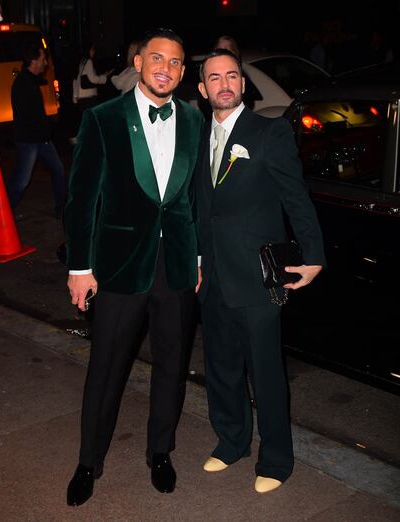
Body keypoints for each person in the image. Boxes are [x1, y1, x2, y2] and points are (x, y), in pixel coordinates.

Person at [64, 28, 203, 507]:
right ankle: (89, 460)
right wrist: (80, 267)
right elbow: (82, 201)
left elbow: (194, 197)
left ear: (184, 72)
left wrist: (198, 255)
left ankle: (160, 452)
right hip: (119, 267)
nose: (167, 67)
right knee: (106, 368)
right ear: (139, 62)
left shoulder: (192, 115)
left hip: (178, 267)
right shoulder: (103, 118)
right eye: (158, 58)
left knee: (171, 365)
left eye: (177, 62)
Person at [195, 49, 326, 494]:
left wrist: (313, 256)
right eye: (214, 78)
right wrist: (194, 260)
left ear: (243, 85)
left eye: (232, 75)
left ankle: (276, 459)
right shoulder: (197, 136)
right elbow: (198, 209)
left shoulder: (269, 132)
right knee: (221, 368)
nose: (224, 84)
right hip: (212, 276)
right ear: (202, 89)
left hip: (257, 275)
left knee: (267, 374)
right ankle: (231, 442)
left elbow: (296, 198)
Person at [7, 42, 66, 220]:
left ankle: (62, 209)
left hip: (40, 139)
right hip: (29, 140)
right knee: (22, 180)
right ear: (33, 60)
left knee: (58, 171)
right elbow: (28, 116)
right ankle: (3, 211)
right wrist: (46, 128)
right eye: (42, 59)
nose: (46, 63)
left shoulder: (29, 81)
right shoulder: (23, 84)